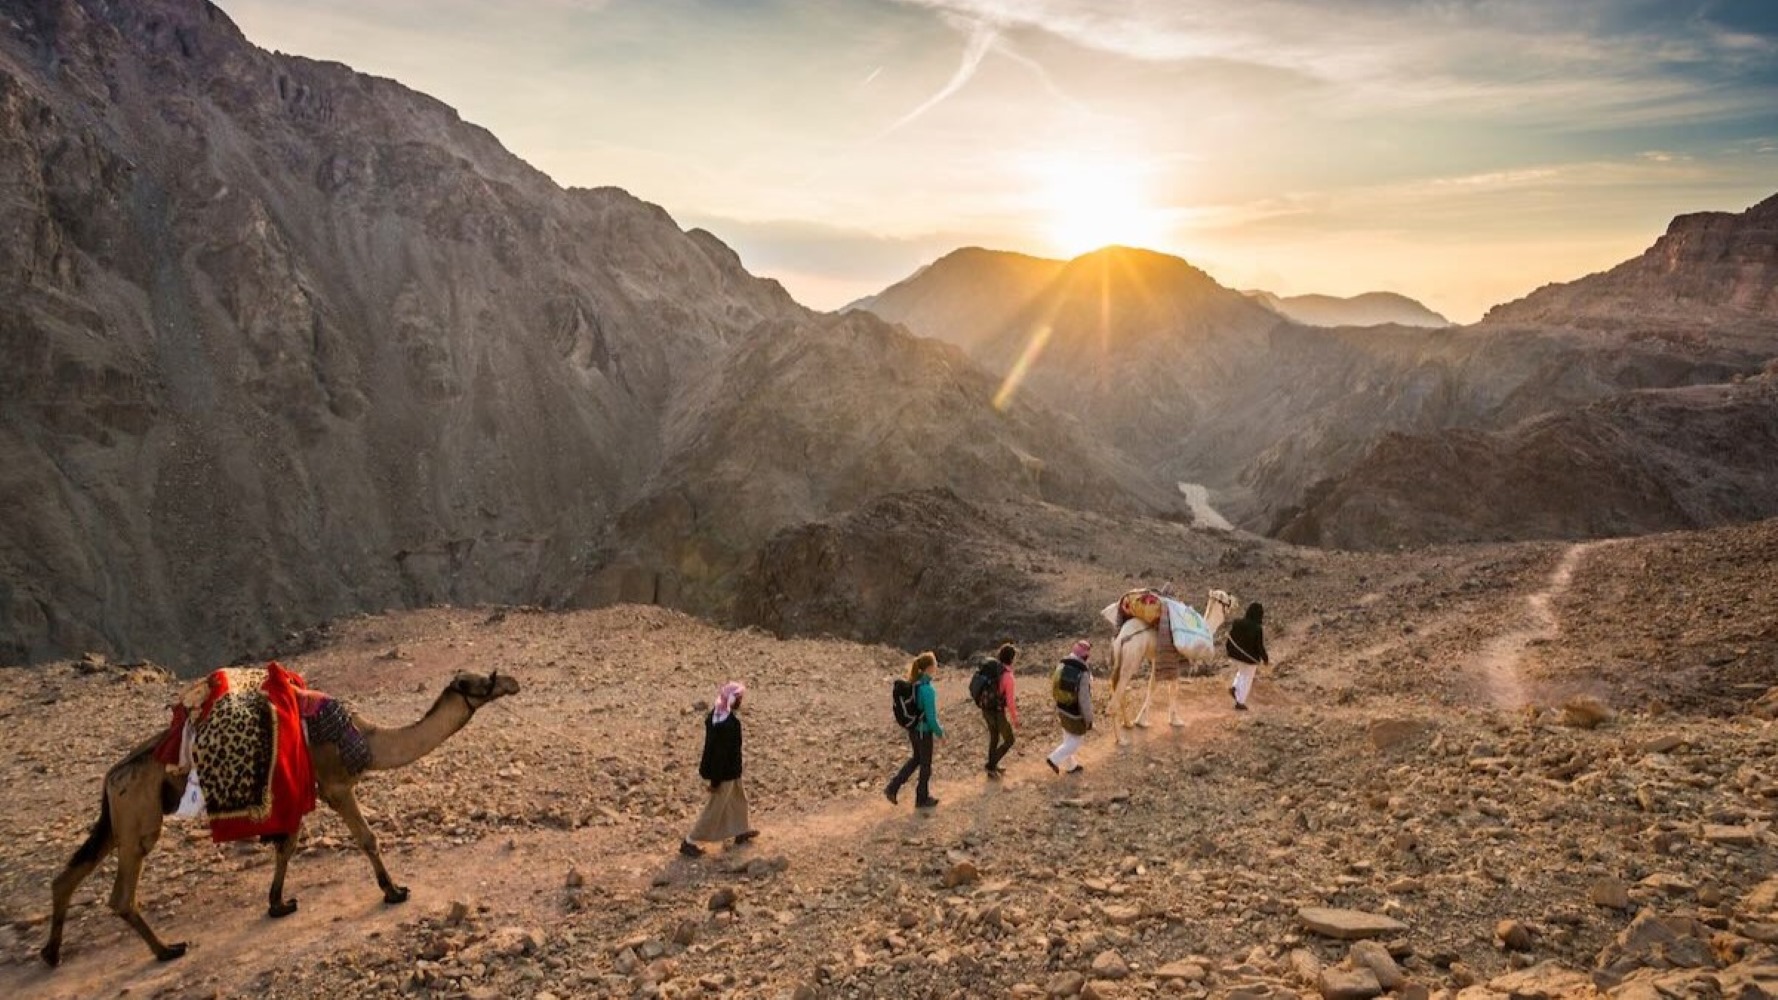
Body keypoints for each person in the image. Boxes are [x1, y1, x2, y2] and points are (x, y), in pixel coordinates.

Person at [680, 681, 757, 857]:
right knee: (714, 808)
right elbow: (720, 756)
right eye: (739, 698)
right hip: (724, 774)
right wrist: (715, 781)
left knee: (738, 800)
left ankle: (740, 831)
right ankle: (690, 841)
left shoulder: (715, 717)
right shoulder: (728, 725)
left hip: (731, 771)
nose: (741, 702)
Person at [886, 651, 944, 809]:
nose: (936, 667)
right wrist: (941, 733)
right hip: (924, 732)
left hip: (913, 730)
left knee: (916, 760)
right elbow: (931, 718)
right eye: (935, 665)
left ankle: (892, 787)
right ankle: (922, 799)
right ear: (929, 668)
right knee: (926, 765)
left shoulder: (914, 684)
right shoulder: (928, 690)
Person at [1047, 640, 1093, 775]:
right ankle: (1054, 758)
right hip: (1075, 712)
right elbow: (1084, 699)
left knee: (1067, 735)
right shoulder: (1083, 673)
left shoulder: (1062, 664)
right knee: (1076, 740)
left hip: (1061, 707)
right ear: (1086, 656)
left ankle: (1070, 766)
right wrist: (1089, 718)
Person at [977, 643, 1020, 777]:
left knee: (994, 737)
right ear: (1011, 659)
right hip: (997, 711)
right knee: (1009, 739)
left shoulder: (994, 670)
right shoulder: (1008, 676)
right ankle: (990, 765)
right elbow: (1010, 702)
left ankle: (992, 766)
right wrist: (1015, 719)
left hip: (986, 708)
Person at [1226, 602, 1270, 711]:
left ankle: (1235, 688)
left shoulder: (1237, 622)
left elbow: (1230, 637)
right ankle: (1240, 702)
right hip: (1248, 658)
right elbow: (1259, 647)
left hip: (1234, 654)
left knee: (1242, 672)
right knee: (1247, 678)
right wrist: (1265, 659)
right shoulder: (1257, 628)